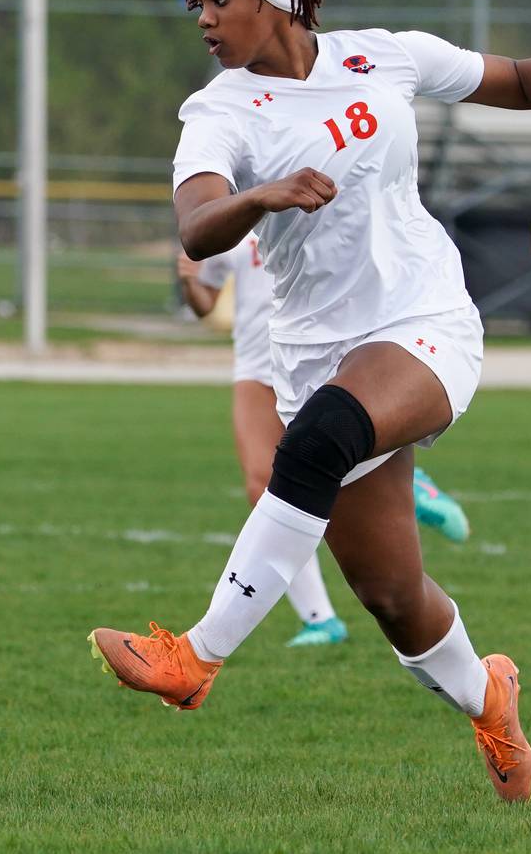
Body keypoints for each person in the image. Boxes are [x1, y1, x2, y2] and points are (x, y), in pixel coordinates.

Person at [91, 0, 531, 802]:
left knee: (320, 438)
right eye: (198, 8)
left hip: (427, 325)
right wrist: (260, 195)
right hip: (313, 358)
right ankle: (491, 699)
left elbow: (517, 82)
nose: (207, 21)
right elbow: (195, 221)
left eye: (221, 0)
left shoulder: (387, 55)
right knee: (394, 597)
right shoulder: (217, 111)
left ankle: (195, 656)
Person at [177, 236, 473, 648]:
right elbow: (205, 301)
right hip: (257, 364)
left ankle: (408, 481)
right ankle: (321, 620)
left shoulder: (314, 192)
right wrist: (191, 281)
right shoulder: (231, 212)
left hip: (324, 359)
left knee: (324, 466)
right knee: (262, 485)